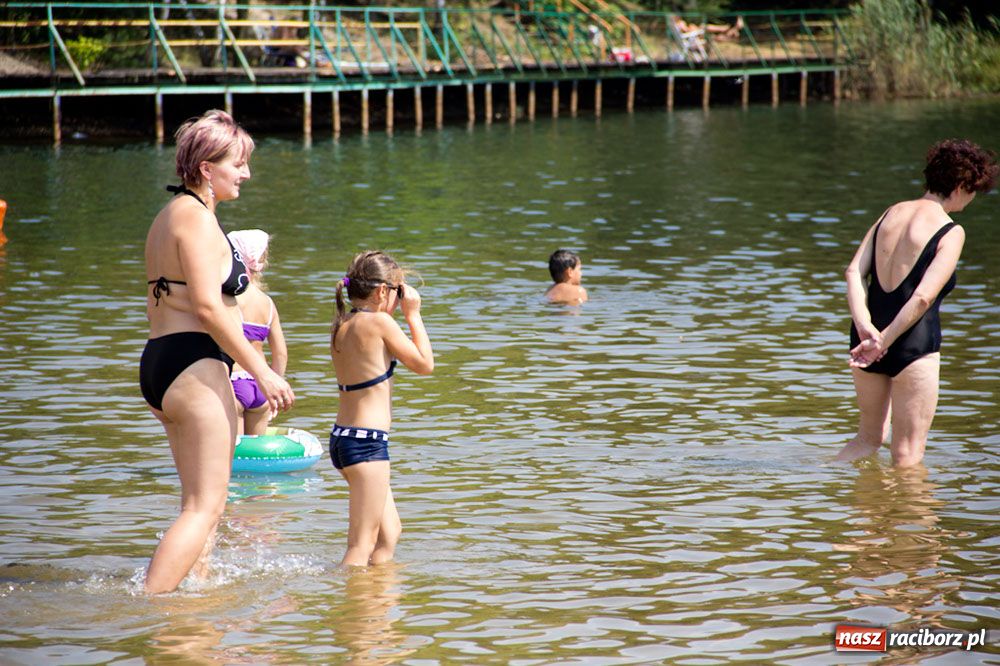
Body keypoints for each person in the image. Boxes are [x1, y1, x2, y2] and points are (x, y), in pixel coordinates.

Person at [140, 109, 295, 593]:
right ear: (207, 168)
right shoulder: (198, 220)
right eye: (238, 164)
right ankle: (151, 607)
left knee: (198, 502)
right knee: (205, 506)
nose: (245, 173)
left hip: (163, 360)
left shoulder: (170, 216)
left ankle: (195, 596)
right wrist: (262, 372)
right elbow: (209, 308)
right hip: (194, 364)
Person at [837, 139, 997, 467]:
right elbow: (923, 297)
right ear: (961, 185)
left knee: (867, 440)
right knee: (907, 455)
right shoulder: (951, 231)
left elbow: (853, 272)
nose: (971, 199)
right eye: (973, 191)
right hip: (912, 345)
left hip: (865, 341)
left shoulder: (891, 212)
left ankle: (818, 479)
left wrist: (867, 329)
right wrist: (885, 342)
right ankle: (906, 505)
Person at [329, 251, 433, 567]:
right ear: (382, 292)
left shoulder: (344, 322)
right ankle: (345, 596)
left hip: (344, 440)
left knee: (389, 535)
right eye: (398, 292)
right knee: (361, 545)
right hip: (366, 443)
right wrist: (413, 315)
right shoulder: (379, 323)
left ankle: (375, 596)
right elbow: (425, 365)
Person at [227, 229, 288, 436]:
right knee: (254, 452)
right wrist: (275, 386)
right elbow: (280, 354)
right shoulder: (267, 304)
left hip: (232, 382)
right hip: (261, 386)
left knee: (231, 452)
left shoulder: (228, 298)